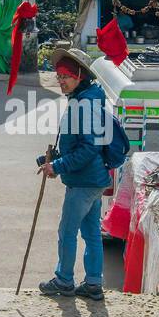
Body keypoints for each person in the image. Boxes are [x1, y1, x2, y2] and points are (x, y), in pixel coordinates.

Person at [37, 49, 110, 300]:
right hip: (94, 180)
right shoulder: (86, 98)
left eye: (66, 76)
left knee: (67, 232)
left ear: (79, 76)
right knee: (91, 234)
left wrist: (57, 167)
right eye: (58, 76)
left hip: (83, 182)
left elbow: (89, 148)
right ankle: (93, 284)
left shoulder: (85, 104)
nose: (61, 81)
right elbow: (79, 145)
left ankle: (64, 281)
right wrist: (54, 159)